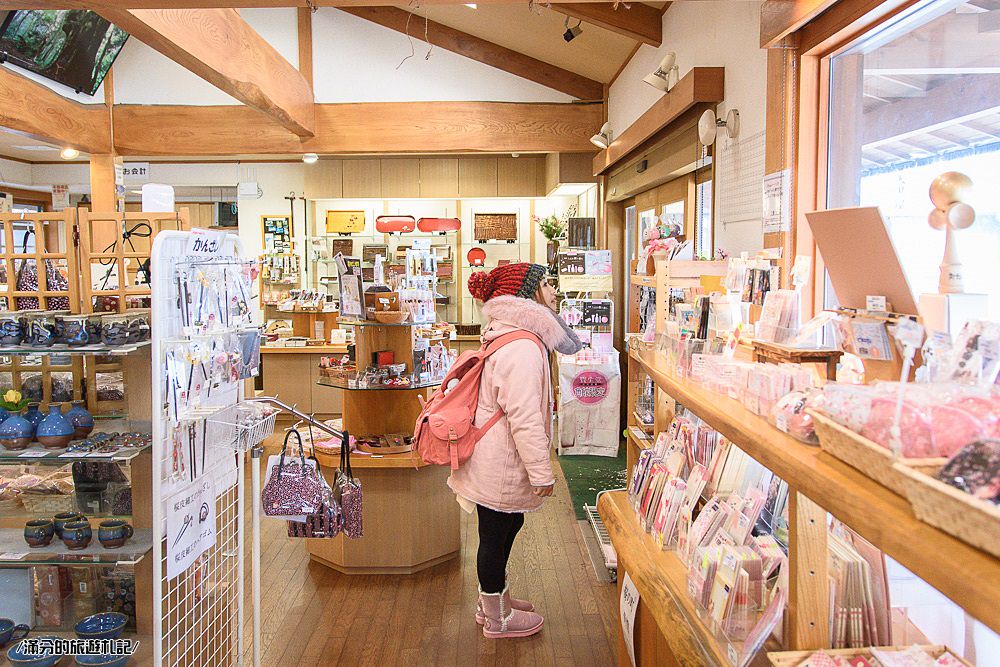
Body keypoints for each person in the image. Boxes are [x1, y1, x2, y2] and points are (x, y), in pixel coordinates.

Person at [448, 262, 582, 639]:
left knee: (508, 523)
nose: (554, 291)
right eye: (547, 283)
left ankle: (495, 598)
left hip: (497, 454)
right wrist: (542, 472)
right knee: (495, 533)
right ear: (528, 294)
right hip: (500, 459)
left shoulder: (514, 334)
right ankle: (496, 616)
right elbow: (523, 416)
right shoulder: (522, 345)